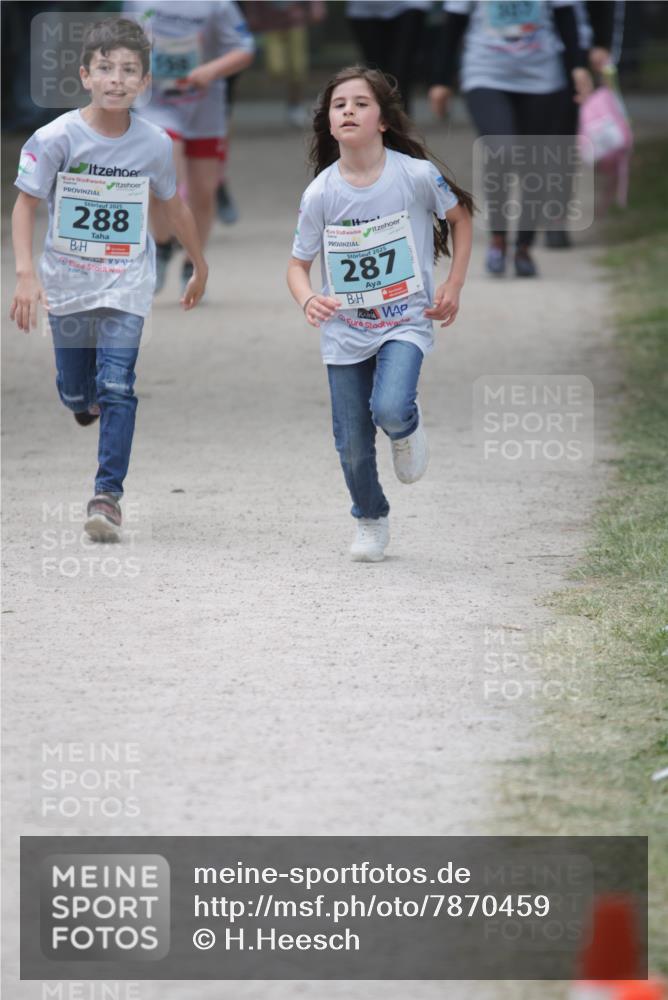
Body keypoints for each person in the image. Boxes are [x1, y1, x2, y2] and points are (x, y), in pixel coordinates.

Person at [10, 17, 208, 542]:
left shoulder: (155, 144)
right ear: (85, 76)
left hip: (126, 283)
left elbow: (175, 204)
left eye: (129, 71)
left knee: (118, 385)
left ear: (145, 83)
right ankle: (82, 401)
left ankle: (107, 496)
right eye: (106, 69)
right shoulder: (55, 138)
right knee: (77, 391)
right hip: (68, 284)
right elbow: (25, 205)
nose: (117, 79)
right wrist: (26, 274)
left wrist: (199, 262)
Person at [287, 66, 473, 563]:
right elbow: (297, 266)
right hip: (345, 329)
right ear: (328, 123)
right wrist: (309, 298)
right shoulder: (322, 193)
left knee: (389, 408)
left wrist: (453, 284)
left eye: (361, 103)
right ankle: (369, 517)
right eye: (338, 105)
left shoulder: (413, 176)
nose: (348, 110)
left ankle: (406, 428)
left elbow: (460, 216)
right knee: (350, 442)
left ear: (384, 121)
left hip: (405, 319)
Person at [429, 1, 593, 277]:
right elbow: (453, 22)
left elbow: (566, 17)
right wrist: (441, 81)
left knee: (534, 162)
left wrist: (578, 67)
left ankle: (523, 247)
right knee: (501, 149)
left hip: (543, 79)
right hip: (486, 74)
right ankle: (498, 238)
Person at [124, 1, 254, 292]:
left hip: (204, 106)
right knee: (164, 175)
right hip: (156, 103)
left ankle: (192, 265)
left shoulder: (218, 5)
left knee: (203, 192)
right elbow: (122, 42)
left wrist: (211, 69)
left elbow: (245, 47)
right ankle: (160, 243)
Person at [245, 1, 326, 128]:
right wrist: (252, 13)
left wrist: (317, 5)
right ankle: (290, 102)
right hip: (270, 22)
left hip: (296, 21)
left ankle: (295, 106)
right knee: (276, 68)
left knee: (298, 69)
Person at [345, 1, 432, 113]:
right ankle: (381, 115)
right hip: (363, 10)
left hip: (409, 6)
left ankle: (400, 117)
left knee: (401, 66)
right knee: (375, 70)